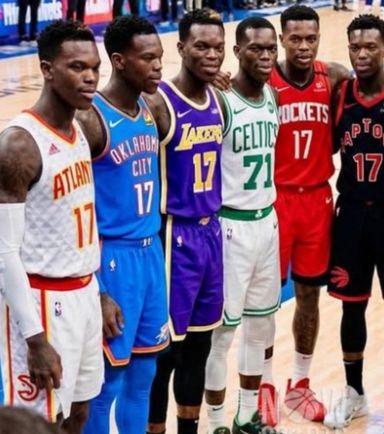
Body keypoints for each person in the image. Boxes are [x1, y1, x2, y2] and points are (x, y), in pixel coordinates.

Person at [0, 20, 103, 434]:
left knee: (78, 414)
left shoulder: (80, 127)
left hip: (85, 292)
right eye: (77, 67)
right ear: (46, 69)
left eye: (94, 67)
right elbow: (4, 252)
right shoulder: (18, 145)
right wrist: (34, 337)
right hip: (42, 302)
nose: (90, 76)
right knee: (41, 424)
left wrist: (98, 289)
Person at [74, 16, 167, 434]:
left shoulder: (151, 107)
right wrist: (97, 289)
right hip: (112, 261)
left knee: (144, 375)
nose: (157, 66)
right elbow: (75, 211)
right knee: (106, 382)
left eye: (159, 57)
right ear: (119, 61)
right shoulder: (91, 119)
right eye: (147, 58)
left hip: (151, 254)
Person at [265, 4, 350, 424]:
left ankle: (299, 383)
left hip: (317, 200)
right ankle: (261, 384)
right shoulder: (264, 80)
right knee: (263, 302)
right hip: (275, 200)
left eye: (310, 38)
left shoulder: (332, 77)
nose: (303, 46)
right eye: (295, 38)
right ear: (282, 39)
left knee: (309, 297)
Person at [144, 9, 225, 434]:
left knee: (201, 346)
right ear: (180, 48)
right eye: (201, 46)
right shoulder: (159, 102)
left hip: (211, 233)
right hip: (174, 235)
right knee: (166, 354)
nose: (212, 55)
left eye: (218, 47)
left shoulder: (219, 101)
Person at [322, 14, 384, 429]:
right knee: (351, 309)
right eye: (355, 47)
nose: (362, 54)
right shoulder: (341, 95)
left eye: (371, 47)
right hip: (351, 213)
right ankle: (354, 392)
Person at [204, 16, 281, 434]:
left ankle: (246, 416)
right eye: (256, 49)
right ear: (236, 52)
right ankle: (216, 422)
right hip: (230, 225)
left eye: (271, 48)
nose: (266, 56)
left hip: (267, 222)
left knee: (260, 326)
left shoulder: (272, 96)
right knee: (223, 332)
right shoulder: (220, 100)